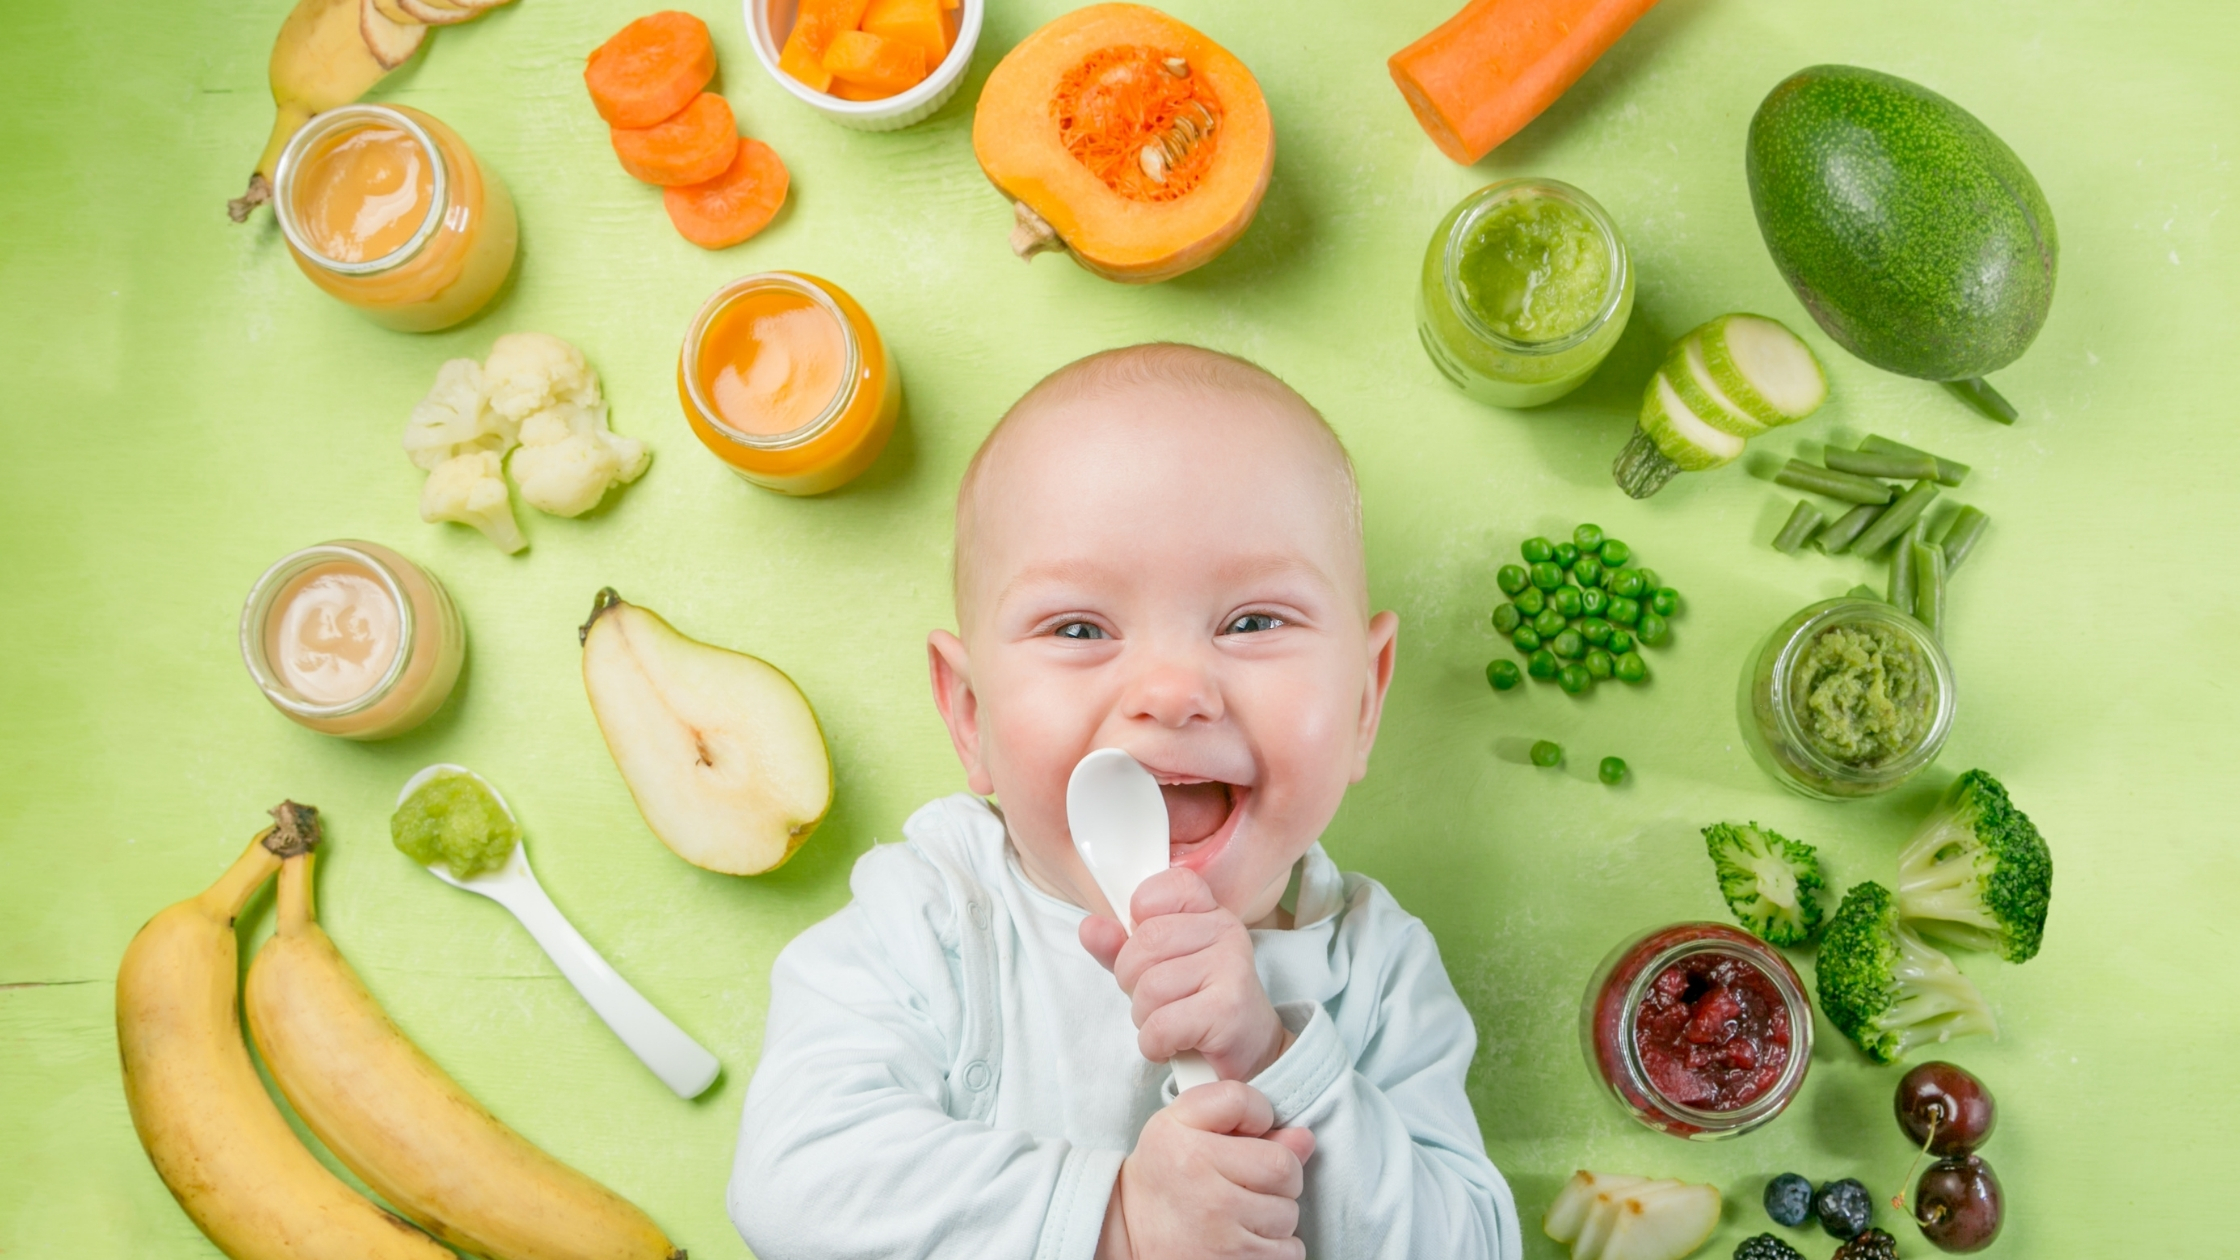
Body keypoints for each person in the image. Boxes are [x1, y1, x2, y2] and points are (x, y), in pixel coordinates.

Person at [730, 343, 1519, 1259]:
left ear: (1362, 703)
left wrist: (1273, 1059)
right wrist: (1119, 1220)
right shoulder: (928, 921)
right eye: (1079, 628)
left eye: (1254, 621)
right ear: (972, 714)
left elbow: (1476, 1246)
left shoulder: (1377, 974)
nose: (1174, 689)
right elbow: (791, 1184)